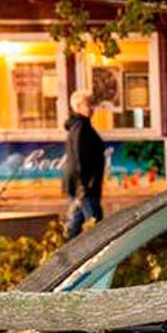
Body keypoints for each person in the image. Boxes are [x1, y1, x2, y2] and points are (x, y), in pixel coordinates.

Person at [63, 89, 106, 239]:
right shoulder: (81, 127)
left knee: (76, 222)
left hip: (83, 184)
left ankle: (65, 252)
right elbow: (79, 157)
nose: (92, 108)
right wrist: (82, 185)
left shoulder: (81, 126)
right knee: (95, 224)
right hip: (85, 185)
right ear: (78, 106)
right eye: (89, 105)